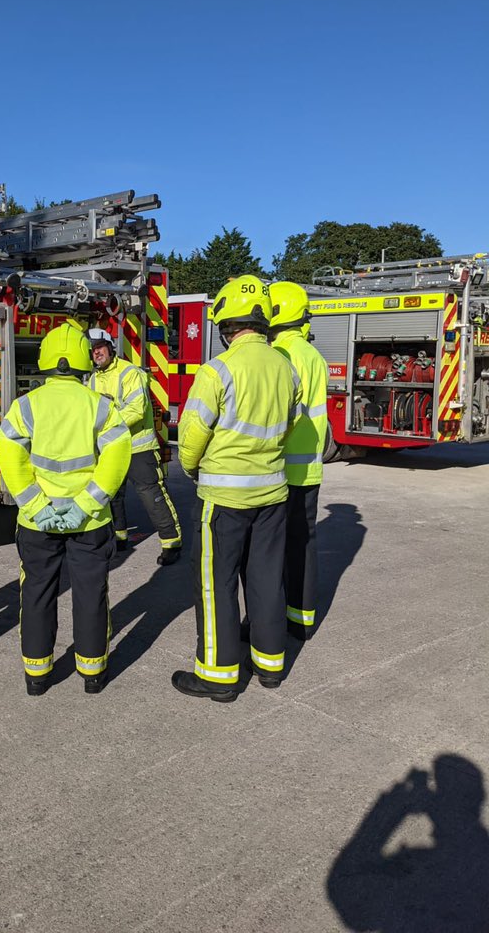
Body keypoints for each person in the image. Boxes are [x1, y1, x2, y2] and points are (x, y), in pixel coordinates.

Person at [172, 276, 301, 702]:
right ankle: (269, 666)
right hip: (272, 496)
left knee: (215, 584)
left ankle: (219, 675)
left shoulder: (218, 369)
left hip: (224, 499)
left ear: (227, 324)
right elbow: (294, 423)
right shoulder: (286, 366)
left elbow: (191, 434)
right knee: (266, 581)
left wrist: (192, 469)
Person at [0, 322, 131, 696]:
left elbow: (8, 452)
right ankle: (92, 672)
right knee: (91, 592)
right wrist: (87, 503)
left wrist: (36, 505)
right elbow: (118, 455)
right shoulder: (100, 407)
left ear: (43, 361)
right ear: (84, 361)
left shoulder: (26, 406)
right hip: (89, 521)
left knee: (37, 591)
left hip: (37, 523)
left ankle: (37, 675)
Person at [87, 327, 182, 565]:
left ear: (110, 348)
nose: (97, 353)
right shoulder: (93, 378)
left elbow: (136, 410)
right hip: (111, 448)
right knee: (112, 496)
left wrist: (107, 424)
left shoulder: (130, 372)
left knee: (152, 496)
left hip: (139, 448)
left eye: (100, 348)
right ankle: (119, 537)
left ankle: (172, 542)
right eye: (93, 350)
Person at [269, 281, 328, 640]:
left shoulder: (279, 354)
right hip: (309, 468)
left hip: (279, 468)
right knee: (303, 545)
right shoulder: (312, 354)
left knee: (270, 551)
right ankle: (301, 620)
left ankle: (269, 619)